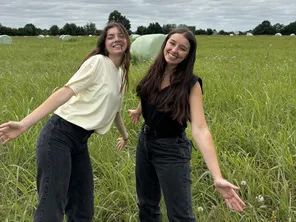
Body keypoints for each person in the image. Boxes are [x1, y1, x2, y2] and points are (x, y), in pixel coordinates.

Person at [0, 22, 131, 222]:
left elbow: (115, 112)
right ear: (104, 42)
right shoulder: (98, 62)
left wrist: (125, 135)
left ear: (127, 40)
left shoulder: (120, 75)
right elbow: (65, 92)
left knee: (82, 208)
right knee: (51, 208)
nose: (116, 39)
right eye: (110, 36)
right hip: (59, 136)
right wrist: (25, 124)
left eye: (120, 35)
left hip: (80, 142)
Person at [128, 28, 246, 221]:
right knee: (146, 205)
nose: (174, 50)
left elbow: (200, 129)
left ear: (188, 55)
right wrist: (139, 110)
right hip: (145, 143)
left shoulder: (191, 84)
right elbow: (149, 93)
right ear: (165, 43)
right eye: (172, 43)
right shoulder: (156, 70)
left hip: (171, 150)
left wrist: (217, 176)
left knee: (180, 215)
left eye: (182, 48)